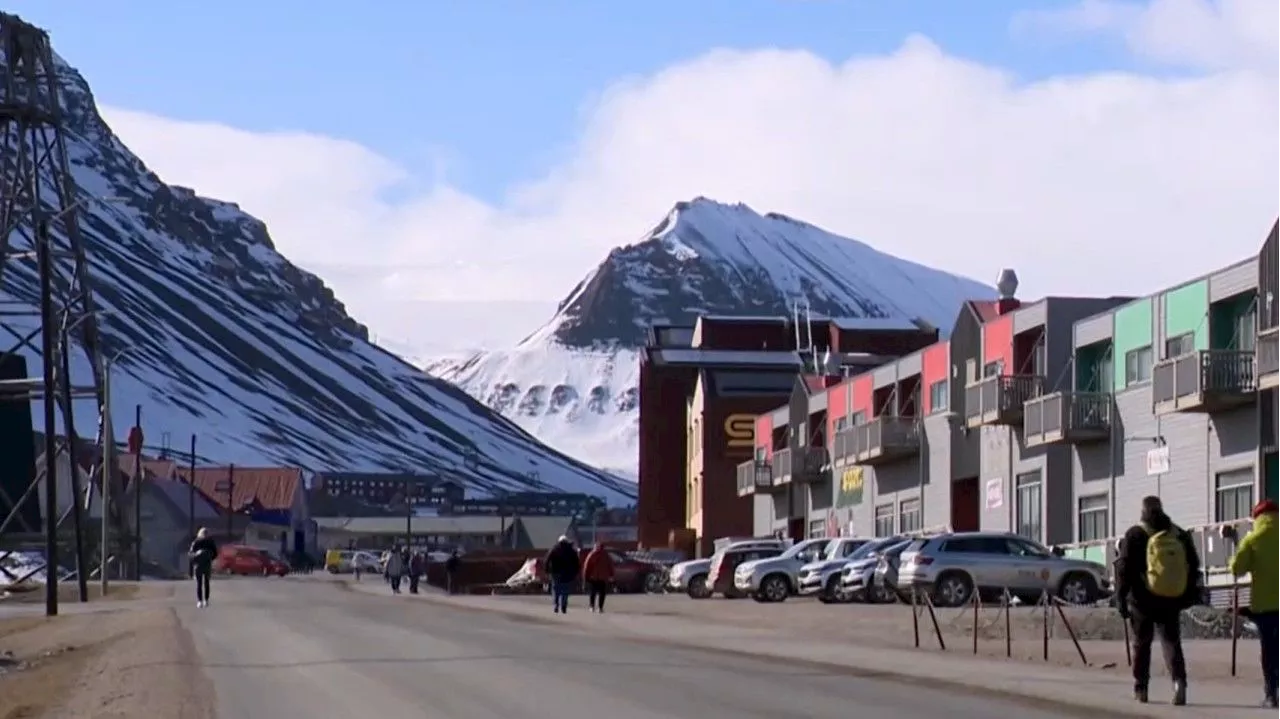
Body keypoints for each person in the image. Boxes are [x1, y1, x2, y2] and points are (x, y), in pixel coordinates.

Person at [1115, 495, 1201, 706]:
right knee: (1171, 642)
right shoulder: (1178, 534)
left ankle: (1141, 687)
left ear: (1143, 512)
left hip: (1141, 599)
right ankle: (1179, 683)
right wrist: (1187, 594)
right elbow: (1194, 565)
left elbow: (1123, 569)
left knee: (1142, 643)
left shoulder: (1135, 534)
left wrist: (1120, 598)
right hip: (1171, 597)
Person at [1228, 499, 1280, 707]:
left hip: (1265, 605)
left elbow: (1237, 568)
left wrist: (1238, 547)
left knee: (1269, 651)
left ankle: (1271, 695)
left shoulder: (1254, 539)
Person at [543, 536, 581, 614]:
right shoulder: (571, 550)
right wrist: (575, 572)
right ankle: (563, 605)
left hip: (555, 572)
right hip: (567, 573)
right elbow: (576, 562)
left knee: (556, 589)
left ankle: (556, 604)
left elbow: (547, 559)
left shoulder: (555, 549)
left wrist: (547, 569)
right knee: (565, 590)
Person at [188, 528, 218, 608]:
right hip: (204, 564)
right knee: (204, 582)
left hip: (201, 564)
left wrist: (196, 558)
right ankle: (203, 601)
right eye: (204, 533)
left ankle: (202, 601)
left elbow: (190, 554)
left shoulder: (199, 542)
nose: (205, 534)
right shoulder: (204, 542)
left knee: (202, 583)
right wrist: (209, 557)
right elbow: (215, 553)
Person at [582, 544, 616, 613]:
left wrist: (585, 577)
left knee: (597, 593)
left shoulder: (596, 555)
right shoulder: (604, 555)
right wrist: (611, 575)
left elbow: (586, 566)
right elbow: (611, 566)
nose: (598, 549)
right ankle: (596, 607)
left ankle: (596, 607)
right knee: (597, 593)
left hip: (597, 577)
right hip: (597, 577)